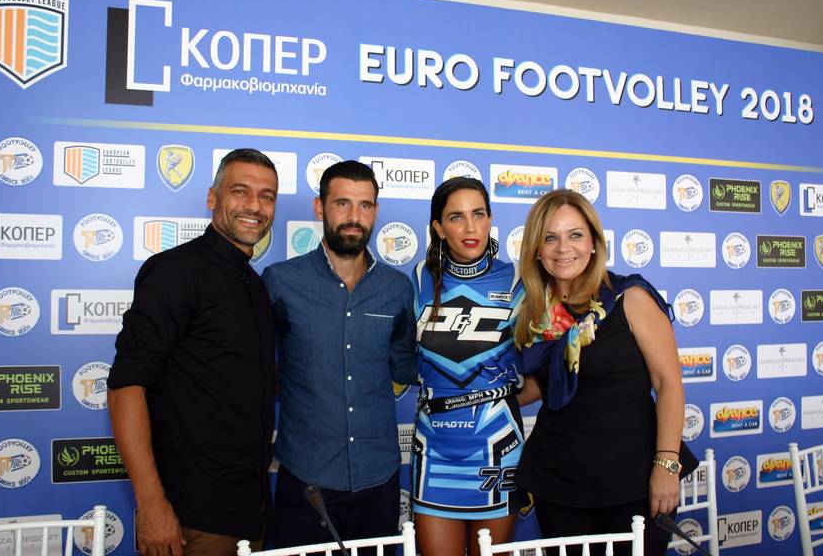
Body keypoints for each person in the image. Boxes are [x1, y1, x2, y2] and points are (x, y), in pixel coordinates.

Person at [107, 149, 279, 556]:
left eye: (267, 196)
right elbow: (125, 387)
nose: (255, 206)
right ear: (212, 197)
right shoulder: (174, 271)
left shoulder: (255, 285)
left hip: (250, 512)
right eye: (240, 191)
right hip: (190, 519)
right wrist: (151, 504)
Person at [513, 189, 686, 556]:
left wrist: (667, 464)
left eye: (575, 235)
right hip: (557, 481)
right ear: (537, 249)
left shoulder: (629, 297)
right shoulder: (534, 311)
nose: (563, 248)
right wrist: (468, 393)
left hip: (632, 479)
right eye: (550, 237)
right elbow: (539, 386)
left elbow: (668, 383)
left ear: (593, 243)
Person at [261, 160, 417, 549]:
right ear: (320, 207)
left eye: (365, 205)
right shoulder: (280, 282)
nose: (354, 217)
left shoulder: (398, 289)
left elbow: (404, 368)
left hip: (378, 478)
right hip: (305, 477)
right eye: (342, 203)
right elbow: (256, 368)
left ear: (376, 211)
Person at [411, 177, 529, 556]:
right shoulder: (417, 279)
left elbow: (545, 372)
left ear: (490, 219)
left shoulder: (519, 281)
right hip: (434, 448)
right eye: (456, 217)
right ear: (438, 227)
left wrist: (496, 397)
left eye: (478, 214)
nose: (470, 227)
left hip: (497, 445)